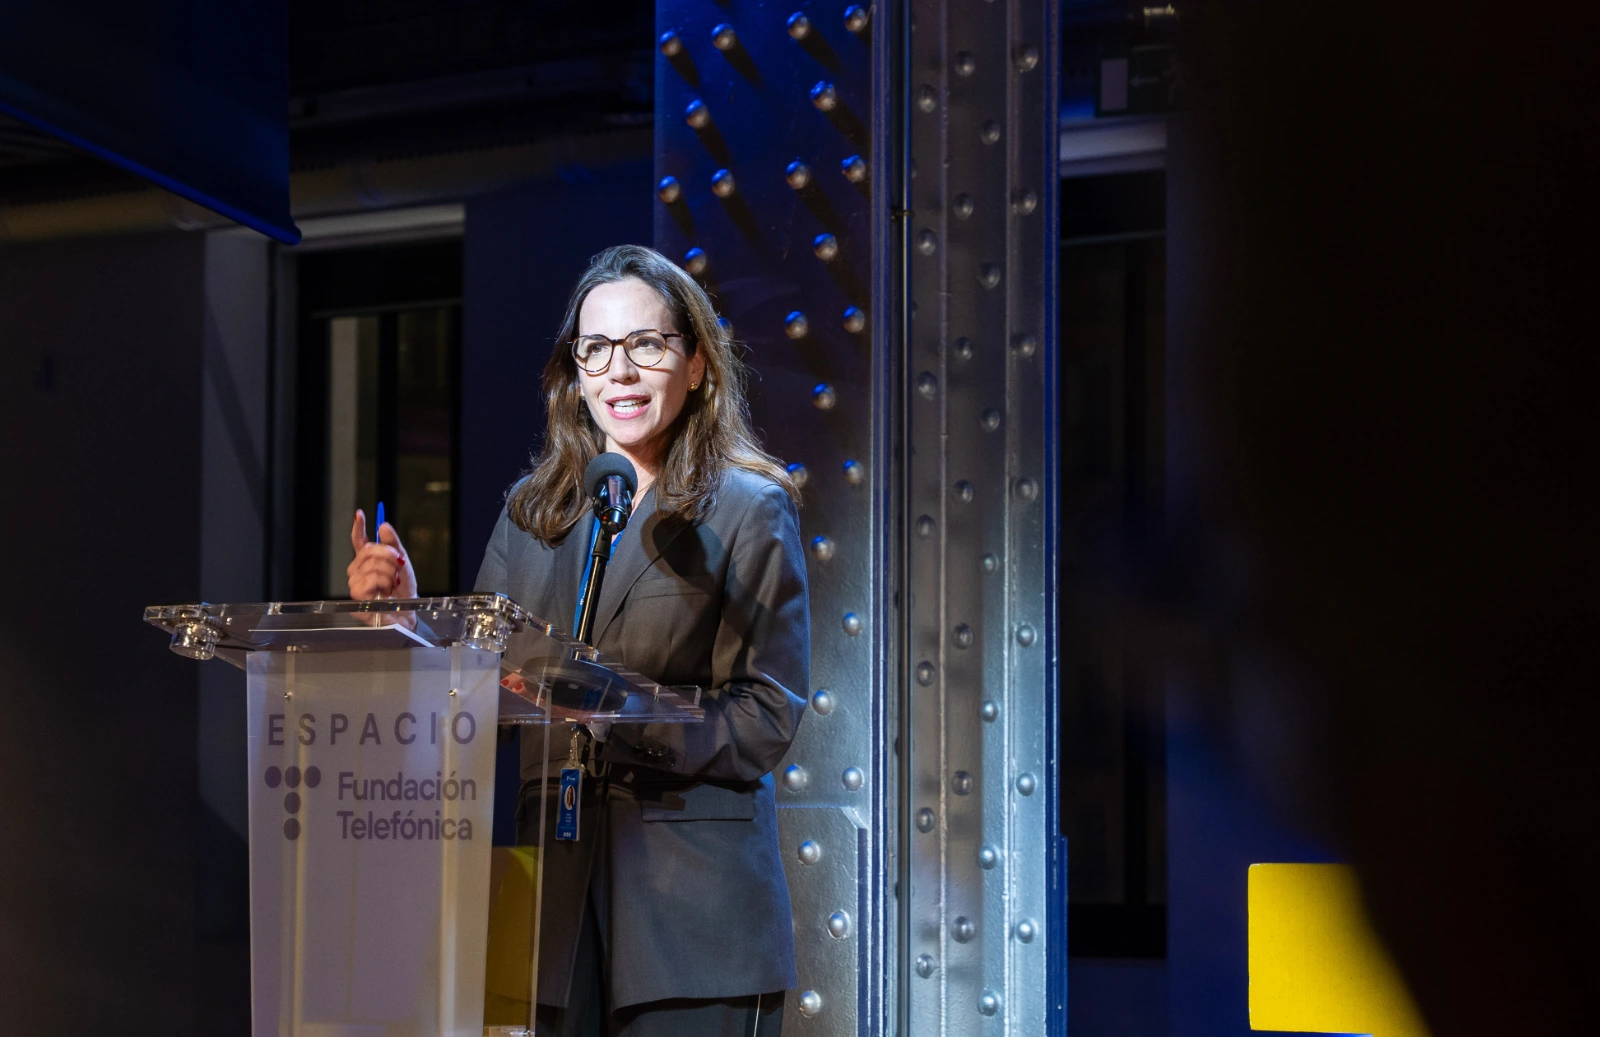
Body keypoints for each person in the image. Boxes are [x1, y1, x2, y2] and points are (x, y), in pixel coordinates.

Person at [348, 243, 808, 1036]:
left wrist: (620, 711)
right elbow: (472, 687)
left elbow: (766, 716)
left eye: (646, 345)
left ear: (696, 363)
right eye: (595, 349)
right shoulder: (535, 510)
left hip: (692, 921)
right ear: (575, 371)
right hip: (549, 912)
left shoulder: (746, 508)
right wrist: (408, 620)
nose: (619, 371)